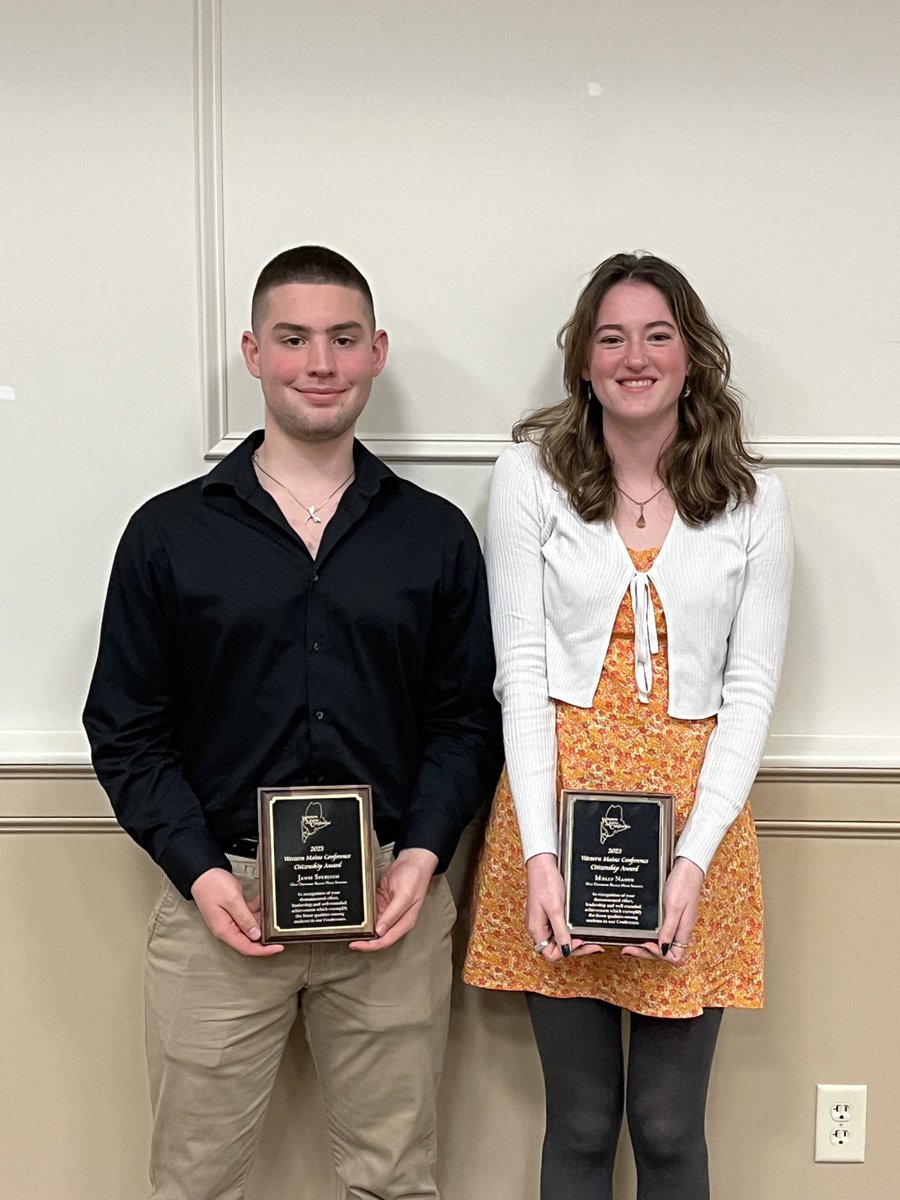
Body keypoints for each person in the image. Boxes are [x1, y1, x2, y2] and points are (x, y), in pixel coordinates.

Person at [83, 245, 502, 1200]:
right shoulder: (168, 534)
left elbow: (465, 721)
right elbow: (126, 727)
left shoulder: (433, 536)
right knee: (193, 1183)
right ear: (254, 353)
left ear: (376, 352)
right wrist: (194, 869)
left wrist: (426, 855)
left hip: (395, 903)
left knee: (396, 1180)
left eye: (343, 339)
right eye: (296, 338)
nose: (321, 361)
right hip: (219, 904)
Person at [463, 252, 793, 1200]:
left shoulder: (754, 500)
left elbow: (752, 691)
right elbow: (519, 673)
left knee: (666, 1123)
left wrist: (689, 862)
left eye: (657, 335)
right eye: (612, 337)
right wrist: (537, 854)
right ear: (583, 358)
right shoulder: (529, 478)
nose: (635, 356)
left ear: (692, 355)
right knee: (578, 1120)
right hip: (556, 825)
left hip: (700, 834)